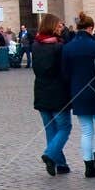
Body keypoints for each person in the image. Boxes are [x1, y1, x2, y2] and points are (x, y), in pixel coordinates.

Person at [62, 12, 95, 177]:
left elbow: (65, 73)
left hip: (78, 92)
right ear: (91, 28)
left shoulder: (67, 48)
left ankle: (89, 167)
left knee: (86, 131)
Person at [31, 12, 72, 175]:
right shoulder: (58, 47)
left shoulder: (36, 45)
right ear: (52, 26)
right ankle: (49, 155)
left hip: (41, 90)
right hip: (58, 93)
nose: (61, 28)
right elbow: (64, 72)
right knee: (64, 127)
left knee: (50, 129)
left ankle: (60, 163)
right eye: (59, 25)